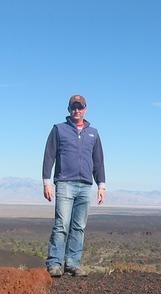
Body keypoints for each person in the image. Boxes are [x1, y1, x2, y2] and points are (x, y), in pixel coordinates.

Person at [42, 94, 106, 277]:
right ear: (69, 109)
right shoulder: (59, 129)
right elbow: (49, 156)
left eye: (80, 107)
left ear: (85, 109)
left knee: (79, 227)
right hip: (64, 183)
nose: (77, 110)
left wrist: (101, 185)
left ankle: (73, 263)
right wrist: (46, 182)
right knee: (61, 225)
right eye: (73, 107)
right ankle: (54, 263)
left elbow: (98, 161)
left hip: (85, 185)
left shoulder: (93, 133)